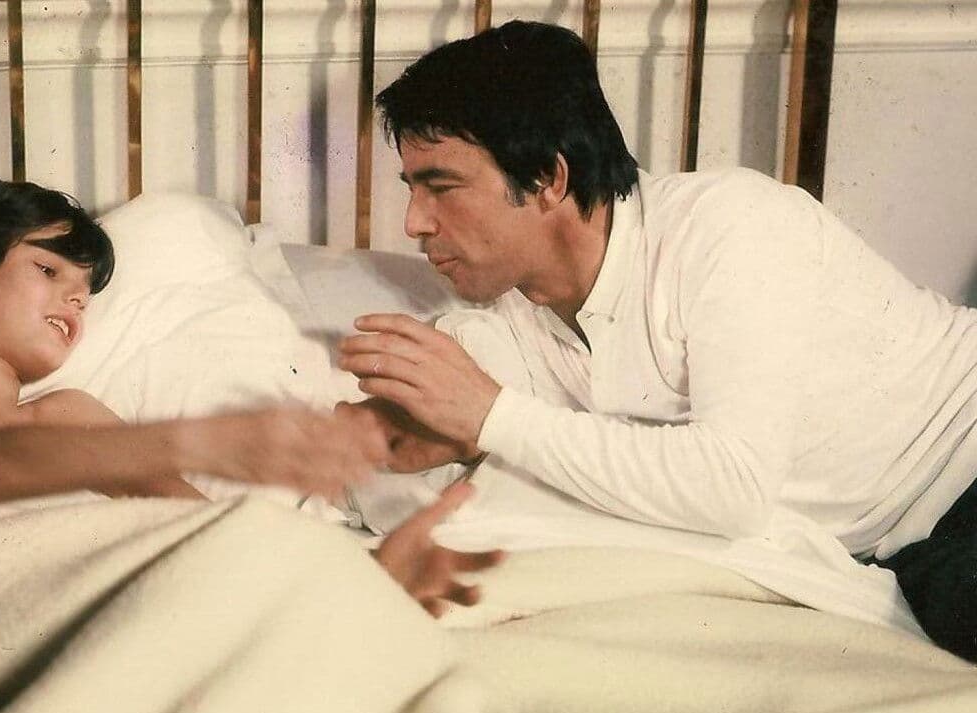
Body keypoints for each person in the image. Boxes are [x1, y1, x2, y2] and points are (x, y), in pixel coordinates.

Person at [336, 20, 977, 659]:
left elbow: (734, 486)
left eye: (442, 187)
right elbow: (445, 428)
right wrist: (401, 436)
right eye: (412, 190)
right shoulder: (510, 313)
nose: (414, 223)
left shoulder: (728, 225)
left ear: (548, 179)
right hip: (903, 554)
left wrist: (492, 418)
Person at [0, 175, 501, 615]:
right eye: (47, 269)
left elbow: (207, 531)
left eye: (84, 290)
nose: (75, 298)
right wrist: (208, 441)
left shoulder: (71, 414)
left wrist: (363, 577)